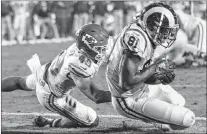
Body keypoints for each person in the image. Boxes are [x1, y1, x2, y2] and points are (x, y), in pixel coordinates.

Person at [105, 2, 195, 131]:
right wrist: (155, 67)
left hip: (141, 88)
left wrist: (158, 78)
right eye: (164, 29)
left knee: (179, 102)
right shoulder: (137, 38)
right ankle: (153, 118)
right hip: (128, 98)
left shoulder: (144, 32)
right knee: (186, 119)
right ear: (153, 26)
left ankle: (155, 116)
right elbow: (126, 83)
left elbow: (140, 73)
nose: (166, 34)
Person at [2, 24, 112, 128]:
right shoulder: (78, 64)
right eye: (99, 48)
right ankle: (50, 123)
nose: (103, 51)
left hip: (44, 72)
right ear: (86, 49)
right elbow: (97, 96)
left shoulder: (80, 45)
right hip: (52, 94)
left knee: (20, 82)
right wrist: (124, 95)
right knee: (92, 120)